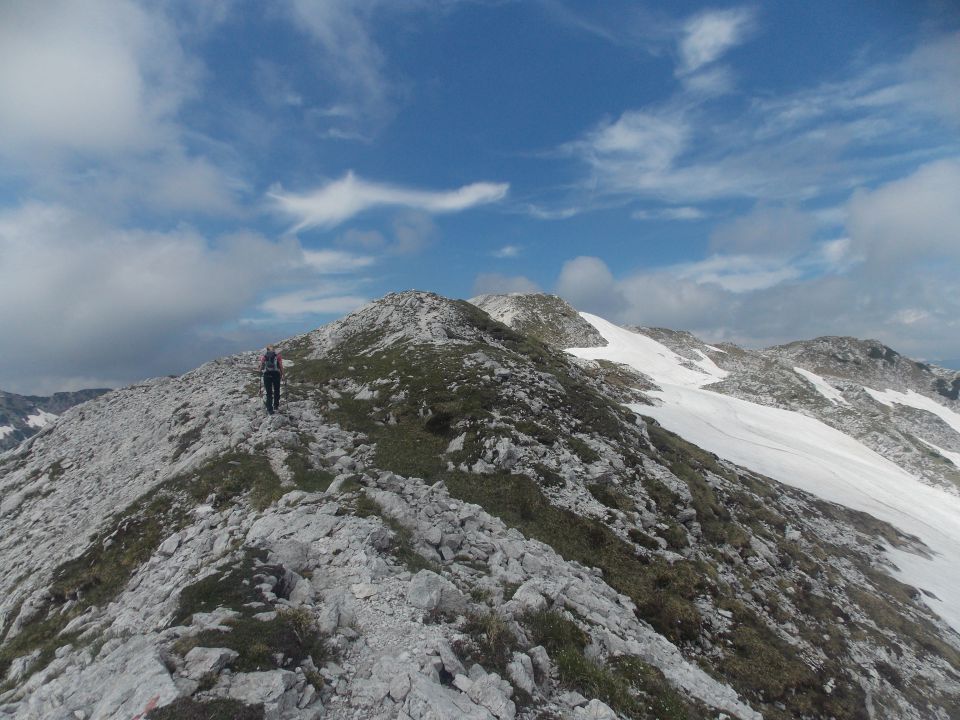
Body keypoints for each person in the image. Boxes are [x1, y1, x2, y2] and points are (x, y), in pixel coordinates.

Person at [259, 344, 284, 414]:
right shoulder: (278, 355)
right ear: (274, 349)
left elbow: (261, 367)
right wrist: (283, 376)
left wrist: (260, 371)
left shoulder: (264, 355)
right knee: (277, 390)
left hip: (267, 375)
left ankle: (270, 409)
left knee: (269, 393)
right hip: (276, 374)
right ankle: (276, 406)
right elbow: (281, 366)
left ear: (267, 349)